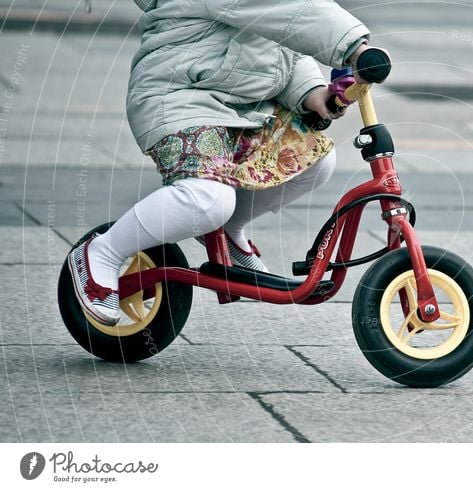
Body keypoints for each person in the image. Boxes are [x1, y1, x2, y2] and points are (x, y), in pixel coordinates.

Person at [67, 0, 372, 326]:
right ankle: (102, 253)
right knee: (209, 200)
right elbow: (289, 12)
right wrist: (353, 47)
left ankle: (229, 226)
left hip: (239, 110)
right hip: (180, 99)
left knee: (315, 159)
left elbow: (285, 43)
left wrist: (313, 94)